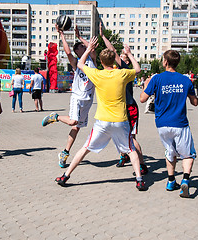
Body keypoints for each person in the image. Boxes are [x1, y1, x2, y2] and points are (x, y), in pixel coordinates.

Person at [54, 37, 146, 191]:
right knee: (130, 150)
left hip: (102, 121)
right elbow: (137, 69)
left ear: (101, 63)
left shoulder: (96, 74)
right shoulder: (121, 74)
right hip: (120, 120)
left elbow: (81, 64)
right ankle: (139, 180)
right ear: (113, 62)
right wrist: (129, 54)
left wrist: (88, 49)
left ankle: (65, 176)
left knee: (85, 148)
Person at [140, 50, 198, 197]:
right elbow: (195, 102)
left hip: (162, 124)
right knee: (188, 155)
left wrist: (145, 85)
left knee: (170, 152)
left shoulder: (156, 79)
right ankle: (185, 180)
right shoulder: (185, 80)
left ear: (165, 62)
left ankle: (171, 181)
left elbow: (142, 99)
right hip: (180, 123)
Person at [41, 24, 96, 168]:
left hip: (88, 100)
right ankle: (56, 117)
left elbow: (92, 48)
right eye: (79, 48)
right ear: (78, 52)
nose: (82, 48)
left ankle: (65, 152)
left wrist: (79, 38)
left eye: (83, 47)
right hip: (77, 98)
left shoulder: (93, 60)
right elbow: (67, 52)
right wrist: (62, 35)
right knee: (72, 122)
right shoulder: (77, 63)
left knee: (76, 127)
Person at [99, 22, 148, 174]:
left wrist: (103, 37)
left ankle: (142, 165)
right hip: (121, 108)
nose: (118, 56)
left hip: (130, 107)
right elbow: (112, 51)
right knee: (120, 135)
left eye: (122, 55)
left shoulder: (125, 69)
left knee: (131, 138)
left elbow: (112, 50)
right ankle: (124, 156)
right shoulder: (119, 70)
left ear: (126, 60)